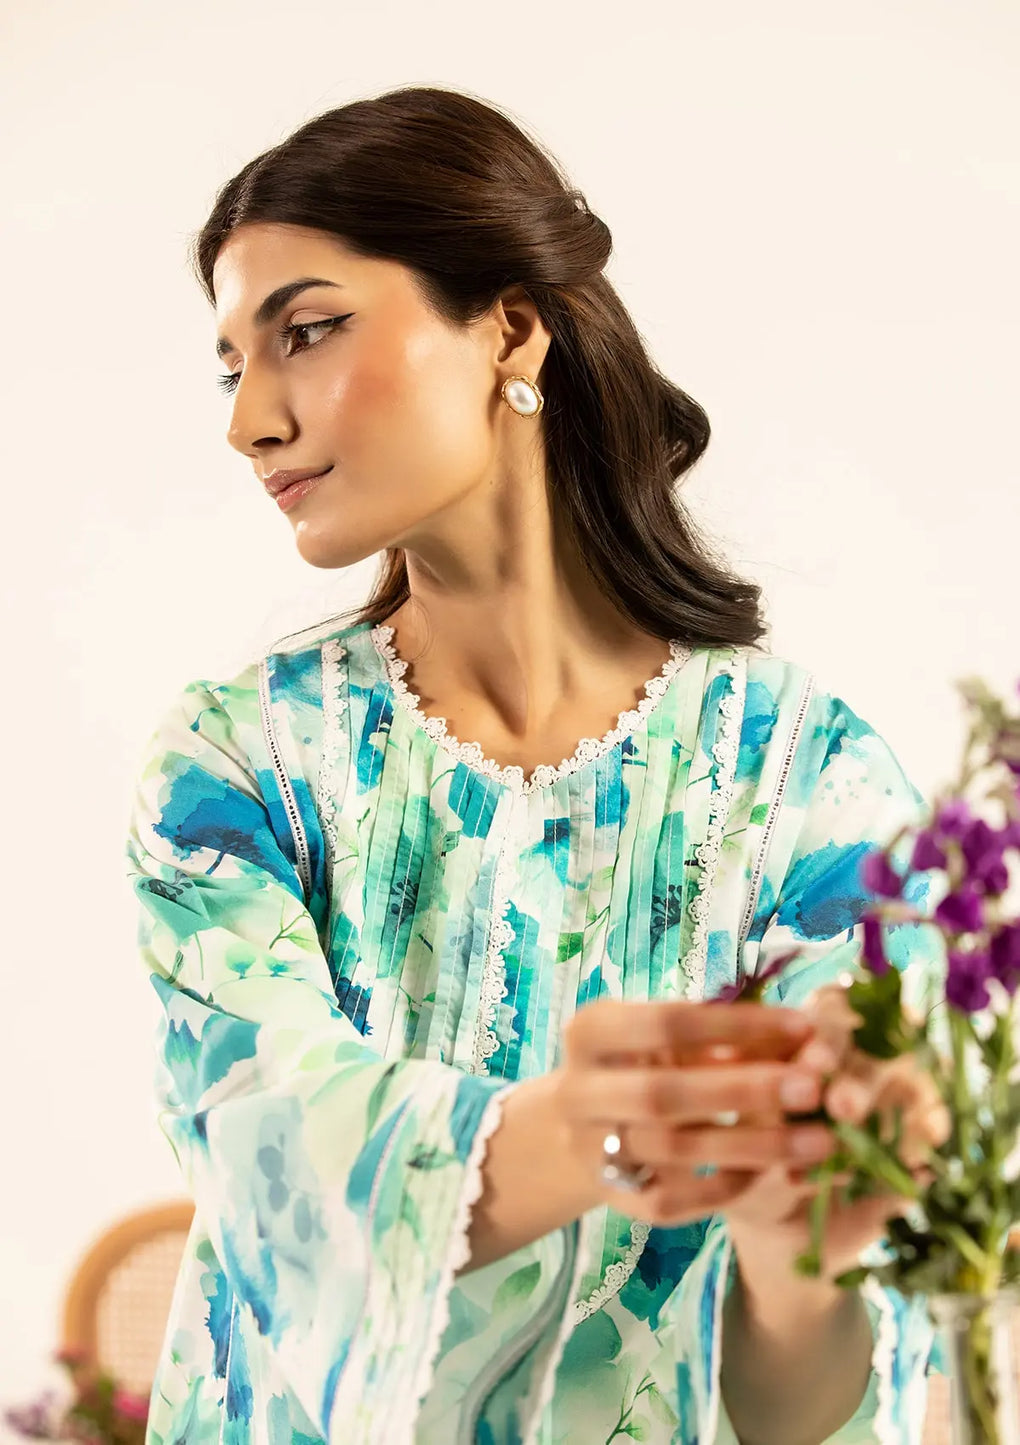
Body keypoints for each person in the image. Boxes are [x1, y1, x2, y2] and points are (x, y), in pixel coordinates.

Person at [125, 84, 949, 1445]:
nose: (249, 420)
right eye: (233, 366)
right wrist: (630, 1117)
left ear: (510, 326)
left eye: (306, 332)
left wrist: (798, 1240)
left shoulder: (811, 787)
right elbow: (273, 1160)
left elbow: (814, 1392)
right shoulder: (235, 770)